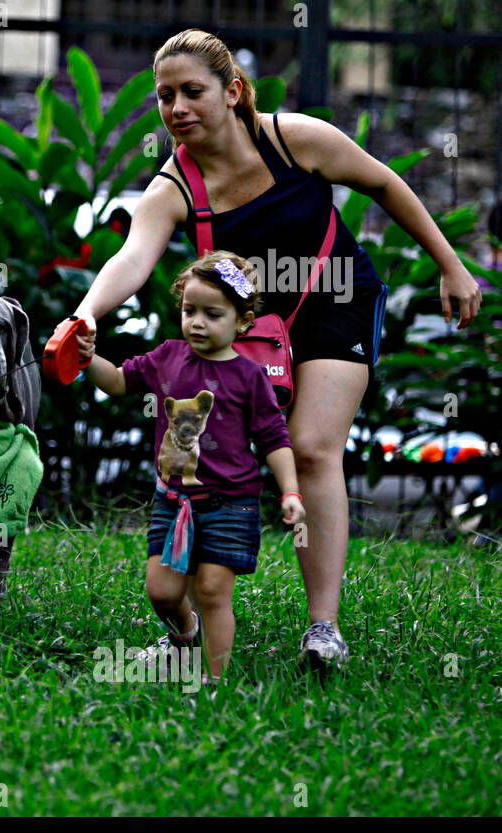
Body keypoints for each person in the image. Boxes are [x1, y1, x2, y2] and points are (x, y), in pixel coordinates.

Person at [58, 28, 482, 668]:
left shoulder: (296, 138)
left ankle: (323, 628)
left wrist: (451, 266)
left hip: (336, 300)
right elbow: (134, 257)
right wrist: (85, 313)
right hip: (254, 331)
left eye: (192, 92)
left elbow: (386, 185)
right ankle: (190, 626)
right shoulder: (175, 187)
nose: (177, 109)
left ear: (232, 92)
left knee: (312, 448)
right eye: (165, 96)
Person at [83, 251, 304, 683]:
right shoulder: (168, 358)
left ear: (242, 322)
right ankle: (186, 635)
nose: (197, 322)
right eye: (190, 311)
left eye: (212, 314)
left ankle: (212, 680)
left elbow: (275, 438)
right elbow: (117, 382)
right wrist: (86, 357)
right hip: (173, 500)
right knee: (162, 592)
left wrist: (291, 491)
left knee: (211, 591)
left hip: (230, 505)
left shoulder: (250, 376)